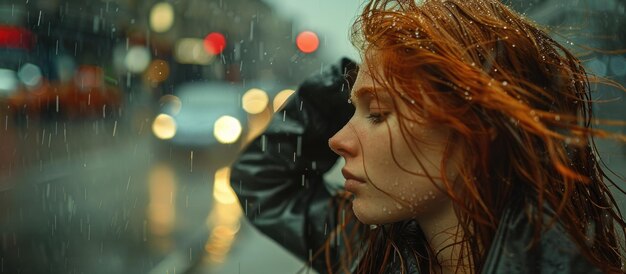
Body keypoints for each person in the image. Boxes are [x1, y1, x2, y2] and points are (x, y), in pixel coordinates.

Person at [230, 0, 626, 273]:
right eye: (354, 110)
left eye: (379, 114)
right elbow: (263, 178)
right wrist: (362, 76)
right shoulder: (378, 252)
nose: (337, 140)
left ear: (477, 132)